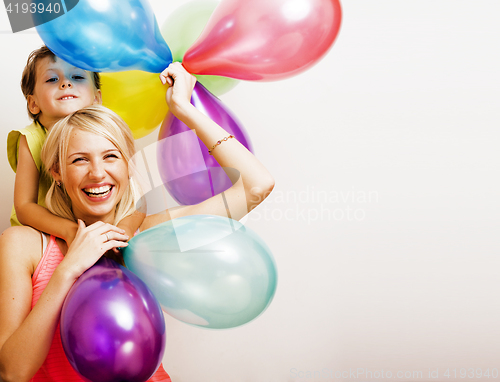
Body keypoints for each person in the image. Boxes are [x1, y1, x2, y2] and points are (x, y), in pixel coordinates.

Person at [0, 63, 274, 381]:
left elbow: (257, 186)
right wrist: (68, 270)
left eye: (111, 156)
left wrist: (184, 109)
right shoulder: (22, 244)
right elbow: (12, 372)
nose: (98, 173)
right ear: (57, 174)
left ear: (129, 168)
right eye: (79, 159)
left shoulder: (151, 235)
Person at [7, 46, 145, 244]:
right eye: (52, 79)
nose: (65, 84)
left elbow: (138, 199)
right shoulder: (30, 138)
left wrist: (123, 231)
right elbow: (24, 207)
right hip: (45, 238)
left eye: (78, 77)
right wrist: (71, 231)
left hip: (96, 233)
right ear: (33, 103)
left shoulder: (108, 132)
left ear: (97, 98)